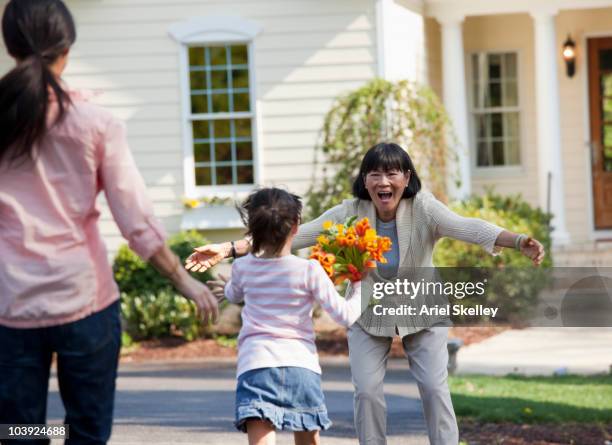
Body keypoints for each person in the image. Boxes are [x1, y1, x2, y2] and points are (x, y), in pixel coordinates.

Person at [187, 143, 545, 445]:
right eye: (374, 174)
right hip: (368, 315)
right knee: (367, 393)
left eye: (392, 173)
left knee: (435, 390)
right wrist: (228, 248)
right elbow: (294, 233)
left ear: (407, 178)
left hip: (423, 311)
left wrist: (517, 241)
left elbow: (468, 227)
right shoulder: (349, 212)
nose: (383, 181)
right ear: (365, 180)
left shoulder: (424, 208)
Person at [0, 1, 218, 443]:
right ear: (67, 49)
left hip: (9, 308)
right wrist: (183, 280)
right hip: (86, 305)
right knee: (87, 430)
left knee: (20, 434)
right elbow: (134, 219)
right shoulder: (95, 123)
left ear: (10, 47)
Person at [207, 188, 365, 445]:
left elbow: (234, 295)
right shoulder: (309, 270)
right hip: (300, 366)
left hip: (256, 366)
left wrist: (226, 289)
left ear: (252, 229)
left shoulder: (242, 267)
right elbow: (346, 316)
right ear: (296, 227)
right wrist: (360, 286)